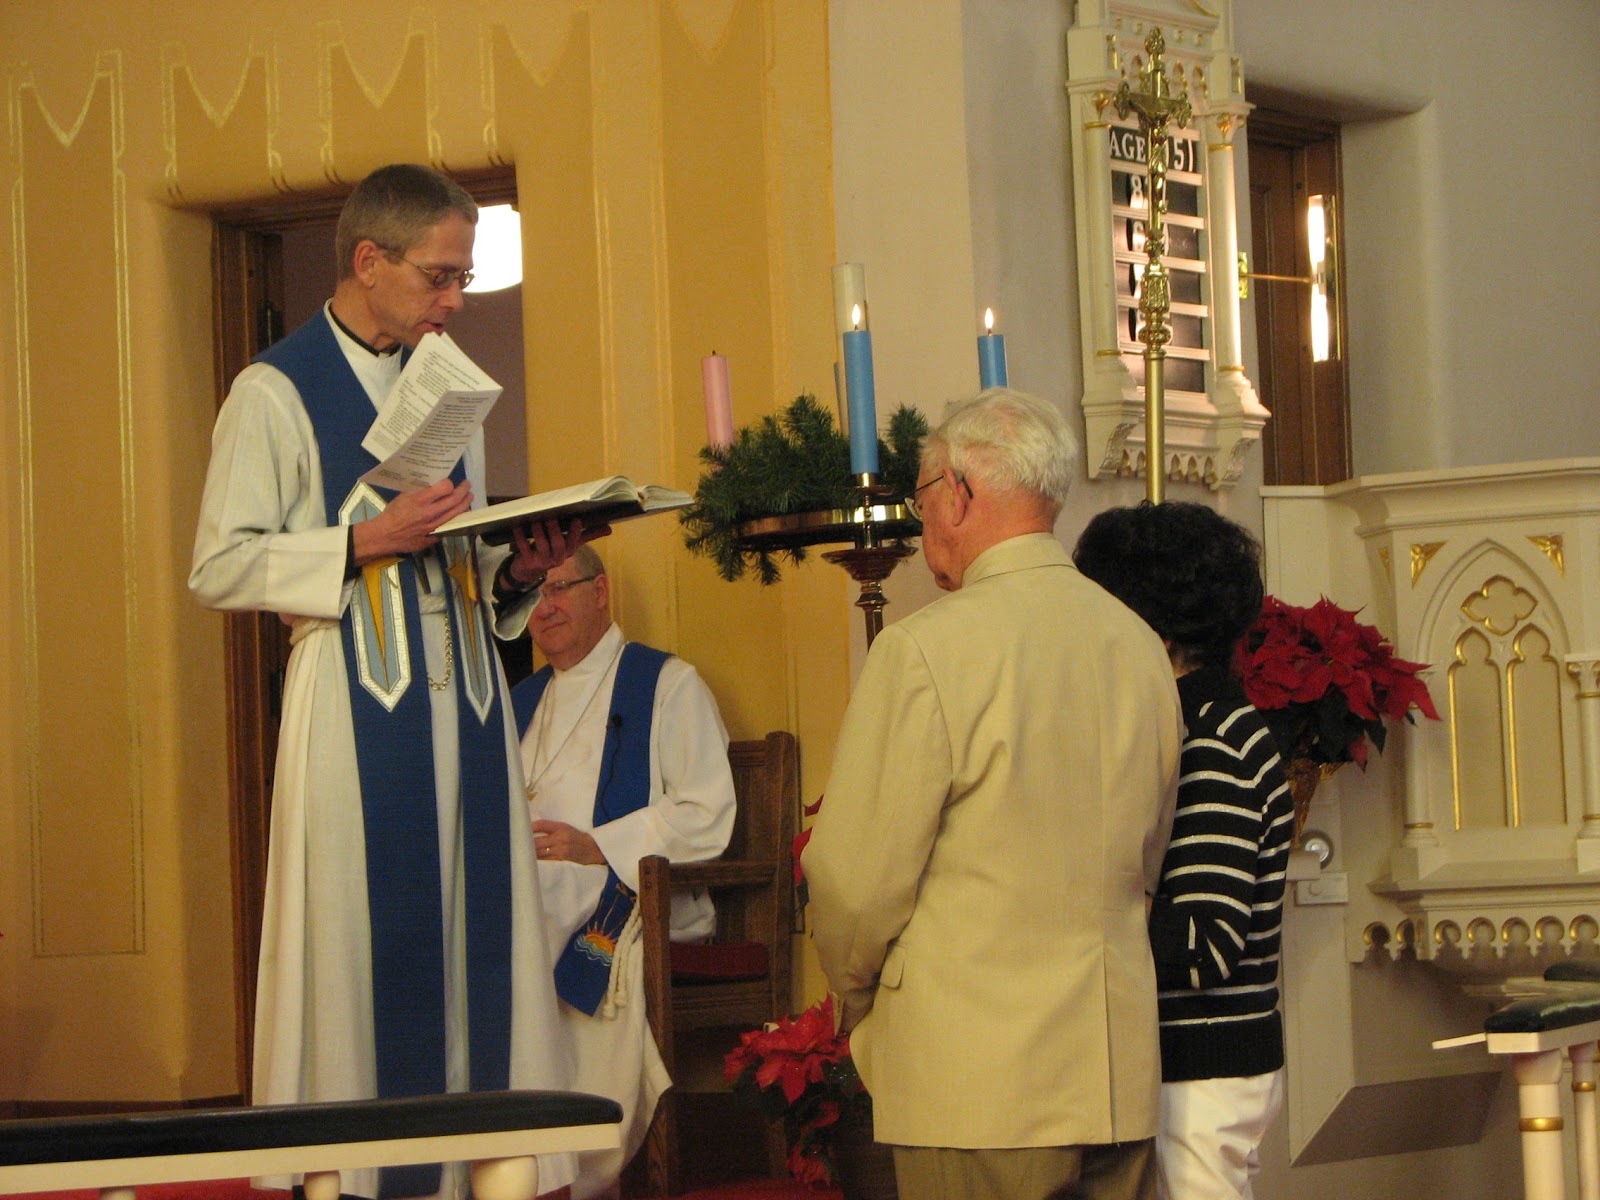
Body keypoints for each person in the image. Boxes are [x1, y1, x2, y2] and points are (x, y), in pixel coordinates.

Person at [190, 163, 596, 1200]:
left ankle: (482, 1173)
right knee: (359, 946)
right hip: (356, 707)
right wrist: (361, 538)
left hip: (461, 707)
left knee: (475, 933)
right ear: (368, 261)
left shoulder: (441, 383)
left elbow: (447, 560)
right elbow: (219, 562)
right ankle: (359, 1177)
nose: (455, 301)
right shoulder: (272, 390)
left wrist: (515, 568)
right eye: (440, 276)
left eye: (462, 277)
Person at [804, 388, 1184, 1200]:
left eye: (921, 497)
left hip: (977, 1084)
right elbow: (1151, 853)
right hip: (1113, 1073)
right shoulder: (1139, 644)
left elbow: (855, 883)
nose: (921, 520)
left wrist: (861, 996)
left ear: (960, 494)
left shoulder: (924, 650)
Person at [1072, 501, 1294, 1200]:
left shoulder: (1209, 736)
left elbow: (1204, 942)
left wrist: (1068, 887)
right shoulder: (1190, 720)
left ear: (1143, 621)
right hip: (1189, 1061)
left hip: (1200, 1068)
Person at [510, 544, 736, 1199]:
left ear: (601, 591)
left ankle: (573, 1167)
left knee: (549, 921)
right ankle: (502, 1155)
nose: (544, 609)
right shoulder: (520, 702)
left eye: (558, 589)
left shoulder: (665, 684)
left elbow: (707, 810)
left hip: (631, 897)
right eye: (532, 597)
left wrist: (597, 847)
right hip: (538, 894)